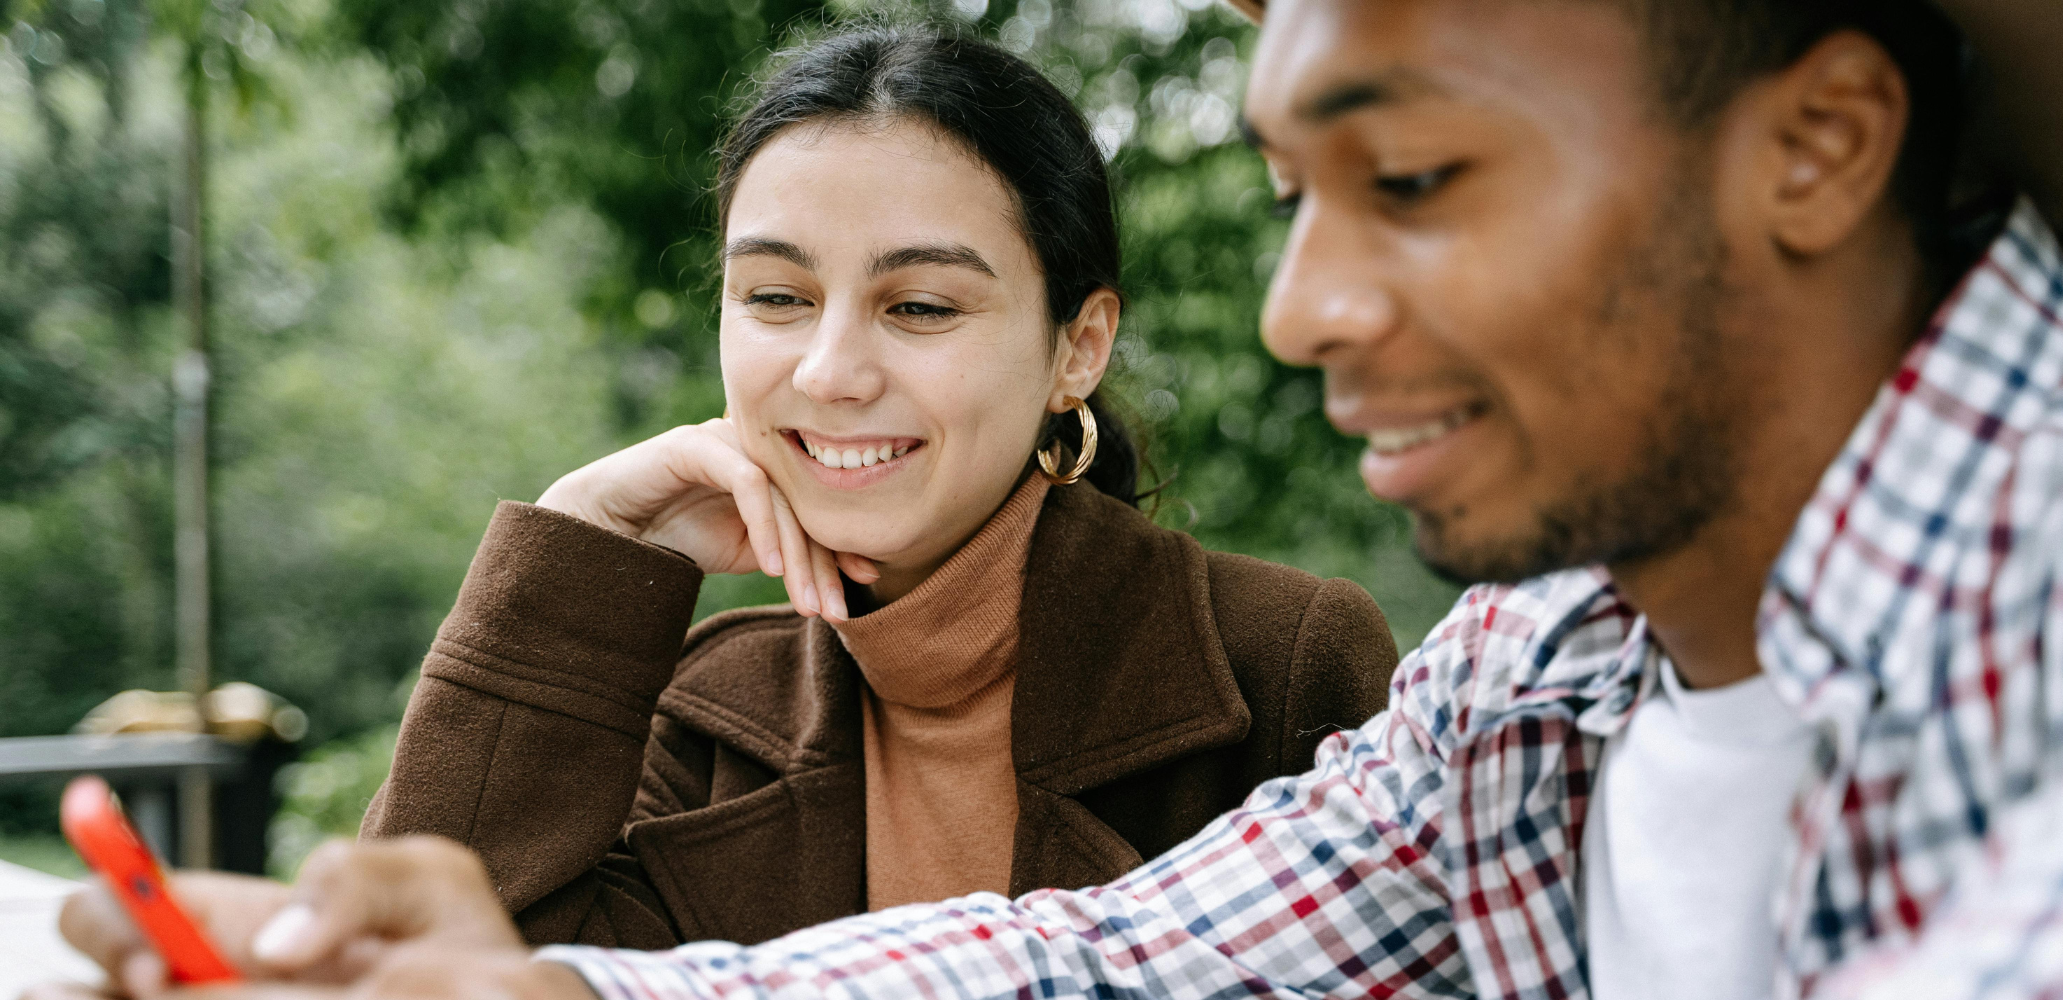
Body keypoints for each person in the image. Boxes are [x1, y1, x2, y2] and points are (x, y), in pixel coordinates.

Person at [35, 0, 2063, 997]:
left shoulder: (2045, 679)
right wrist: (538, 984)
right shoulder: (1534, 677)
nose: (1305, 310)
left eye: (1416, 180)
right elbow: (1097, 959)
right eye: (773, 297)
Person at [344, 22, 1399, 953]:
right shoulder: (705, 715)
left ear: (1078, 348)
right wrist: (583, 546)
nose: (829, 372)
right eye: (775, 296)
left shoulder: (1281, 664)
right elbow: (424, 969)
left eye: (922, 307)